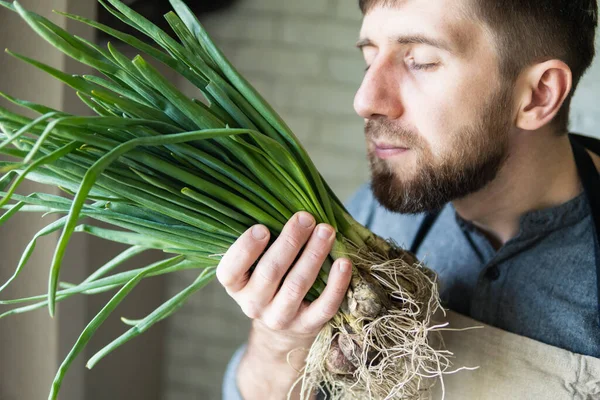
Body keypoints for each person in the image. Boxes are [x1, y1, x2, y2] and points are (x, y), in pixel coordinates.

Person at [219, 0, 600, 398]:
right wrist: (276, 342)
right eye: (370, 59)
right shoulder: (366, 219)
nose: (365, 100)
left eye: (420, 61)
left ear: (538, 95)